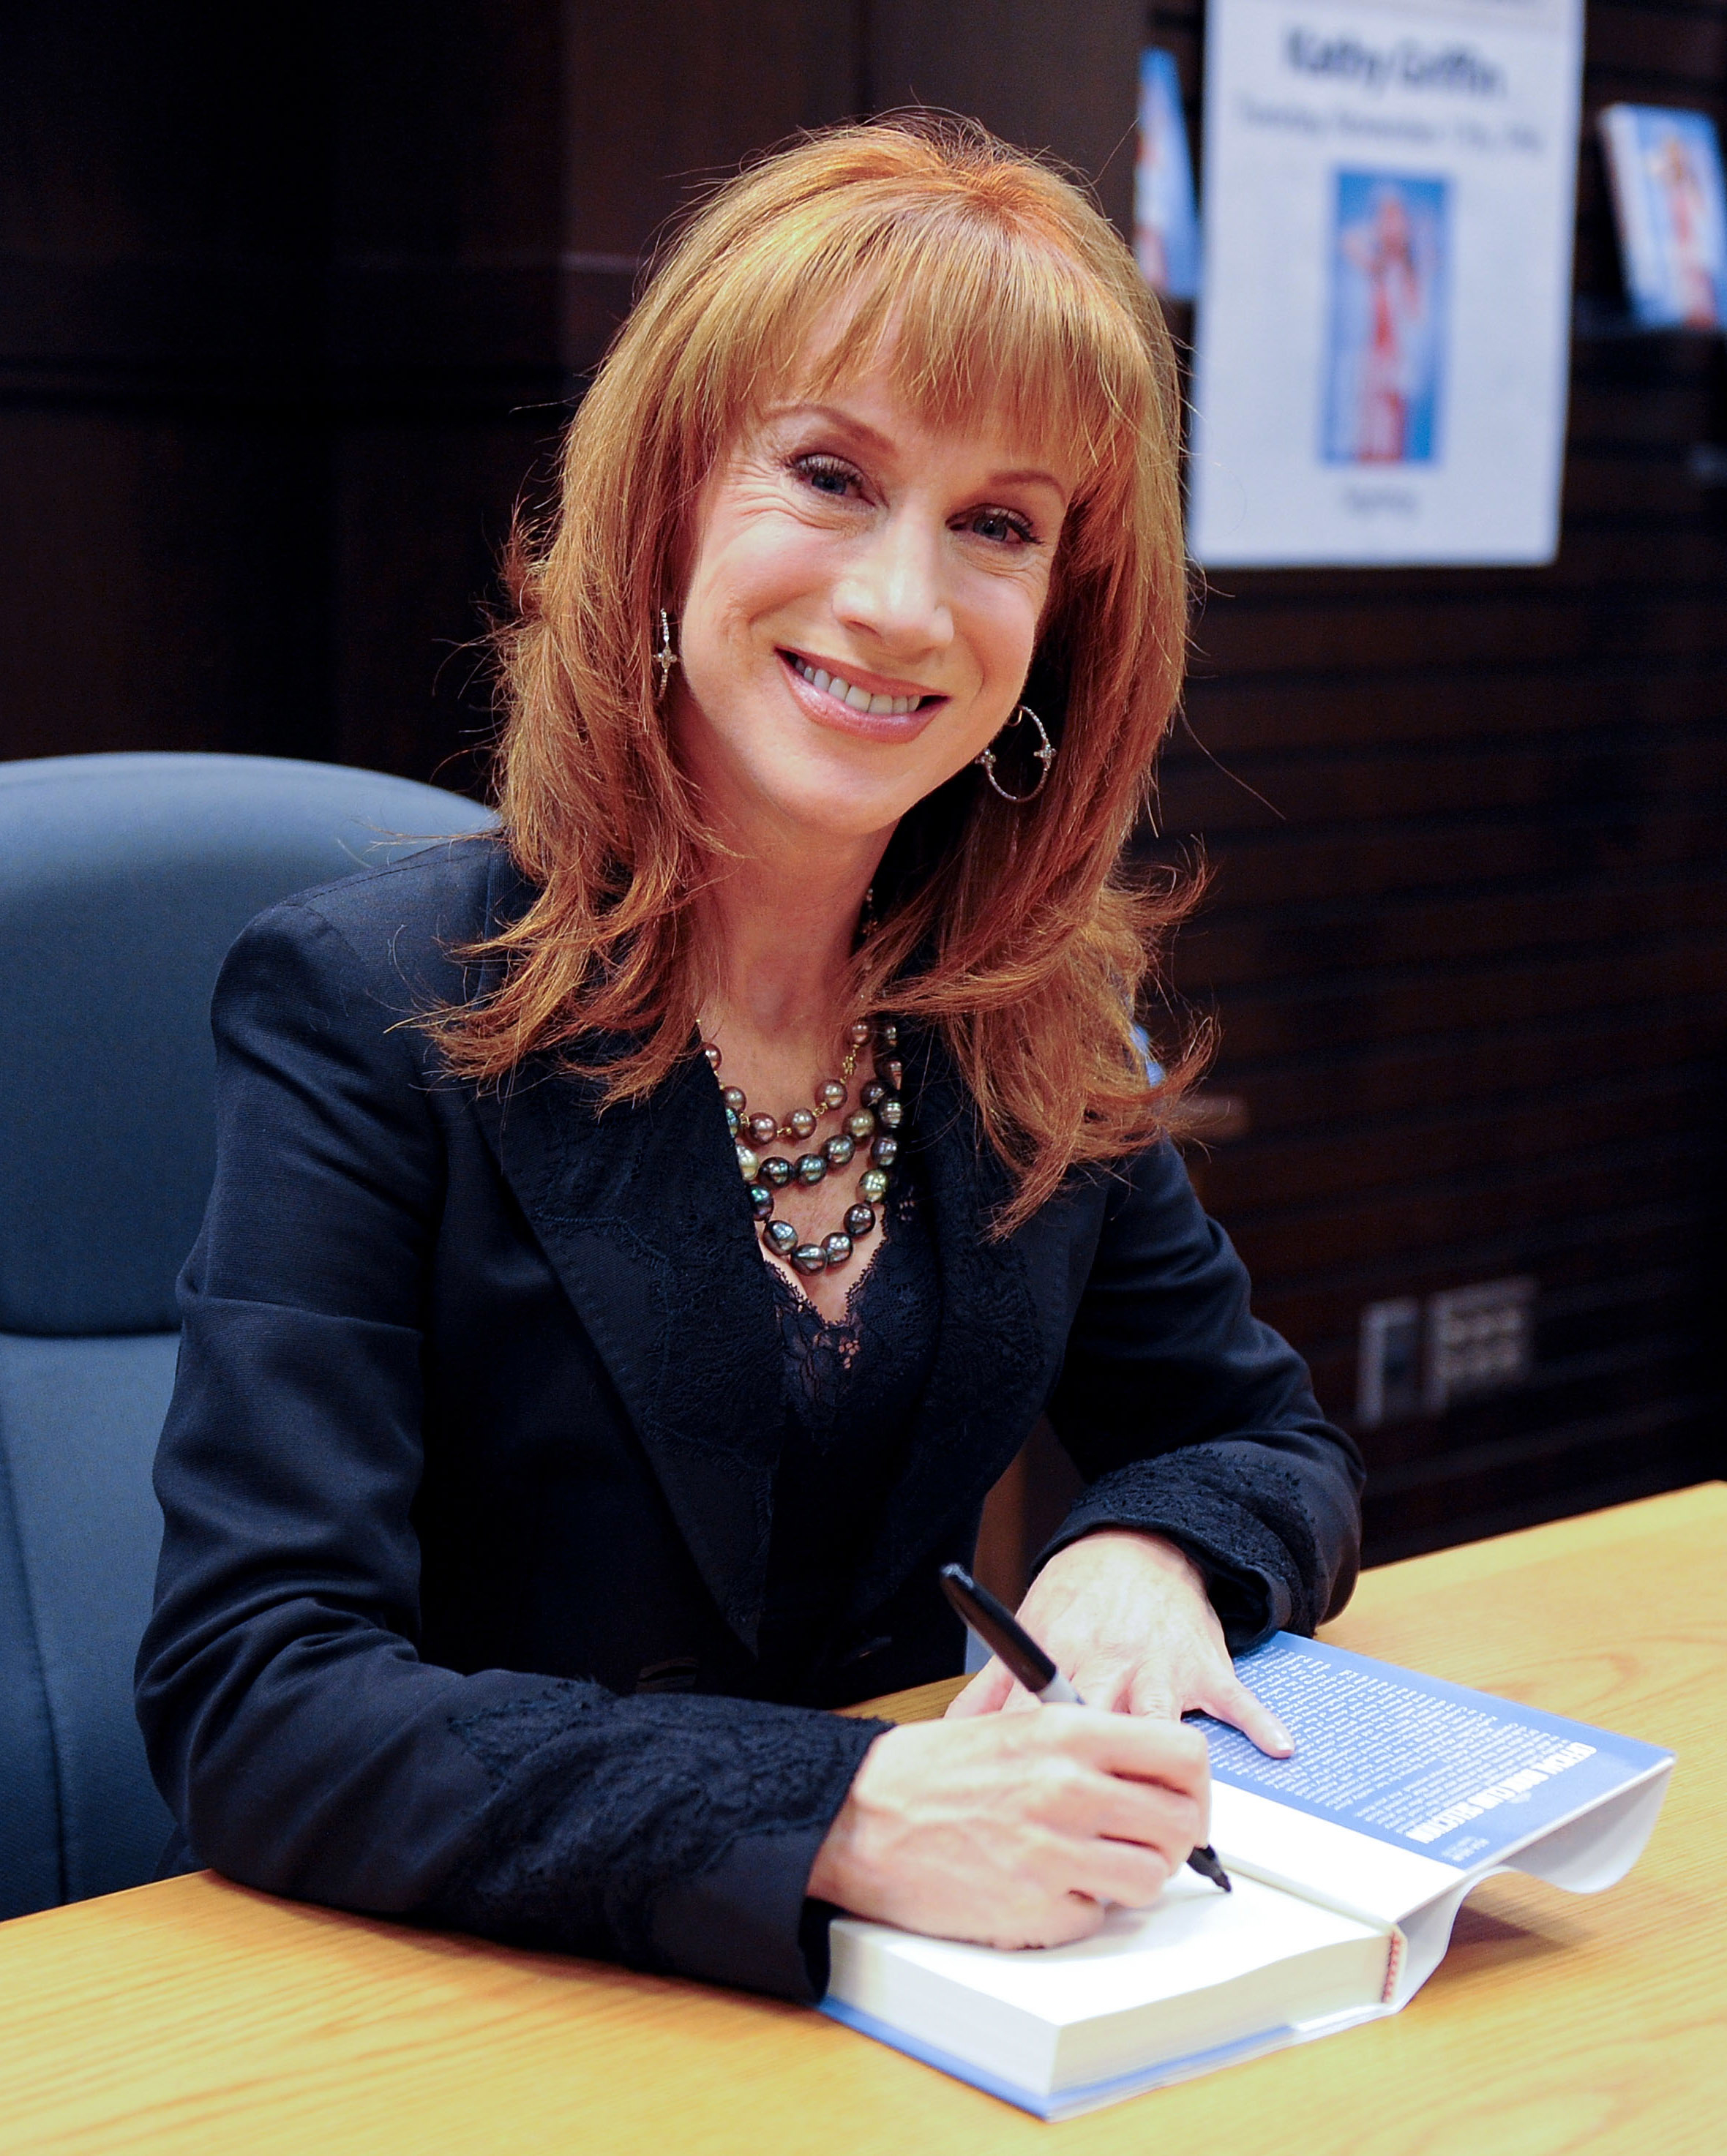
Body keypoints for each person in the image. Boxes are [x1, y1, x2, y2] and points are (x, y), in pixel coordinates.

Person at [136, 118, 1363, 2003]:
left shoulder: (1022, 1026)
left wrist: (1154, 1551)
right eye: (828, 476)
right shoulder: (366, 1007)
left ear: (1061, 625)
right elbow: (257, 1699)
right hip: (456, 1999)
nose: (899, 601)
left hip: (940, 2006)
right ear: (667, 513)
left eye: (1000, 525)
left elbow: (1255, 1436)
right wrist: (852, 1811)